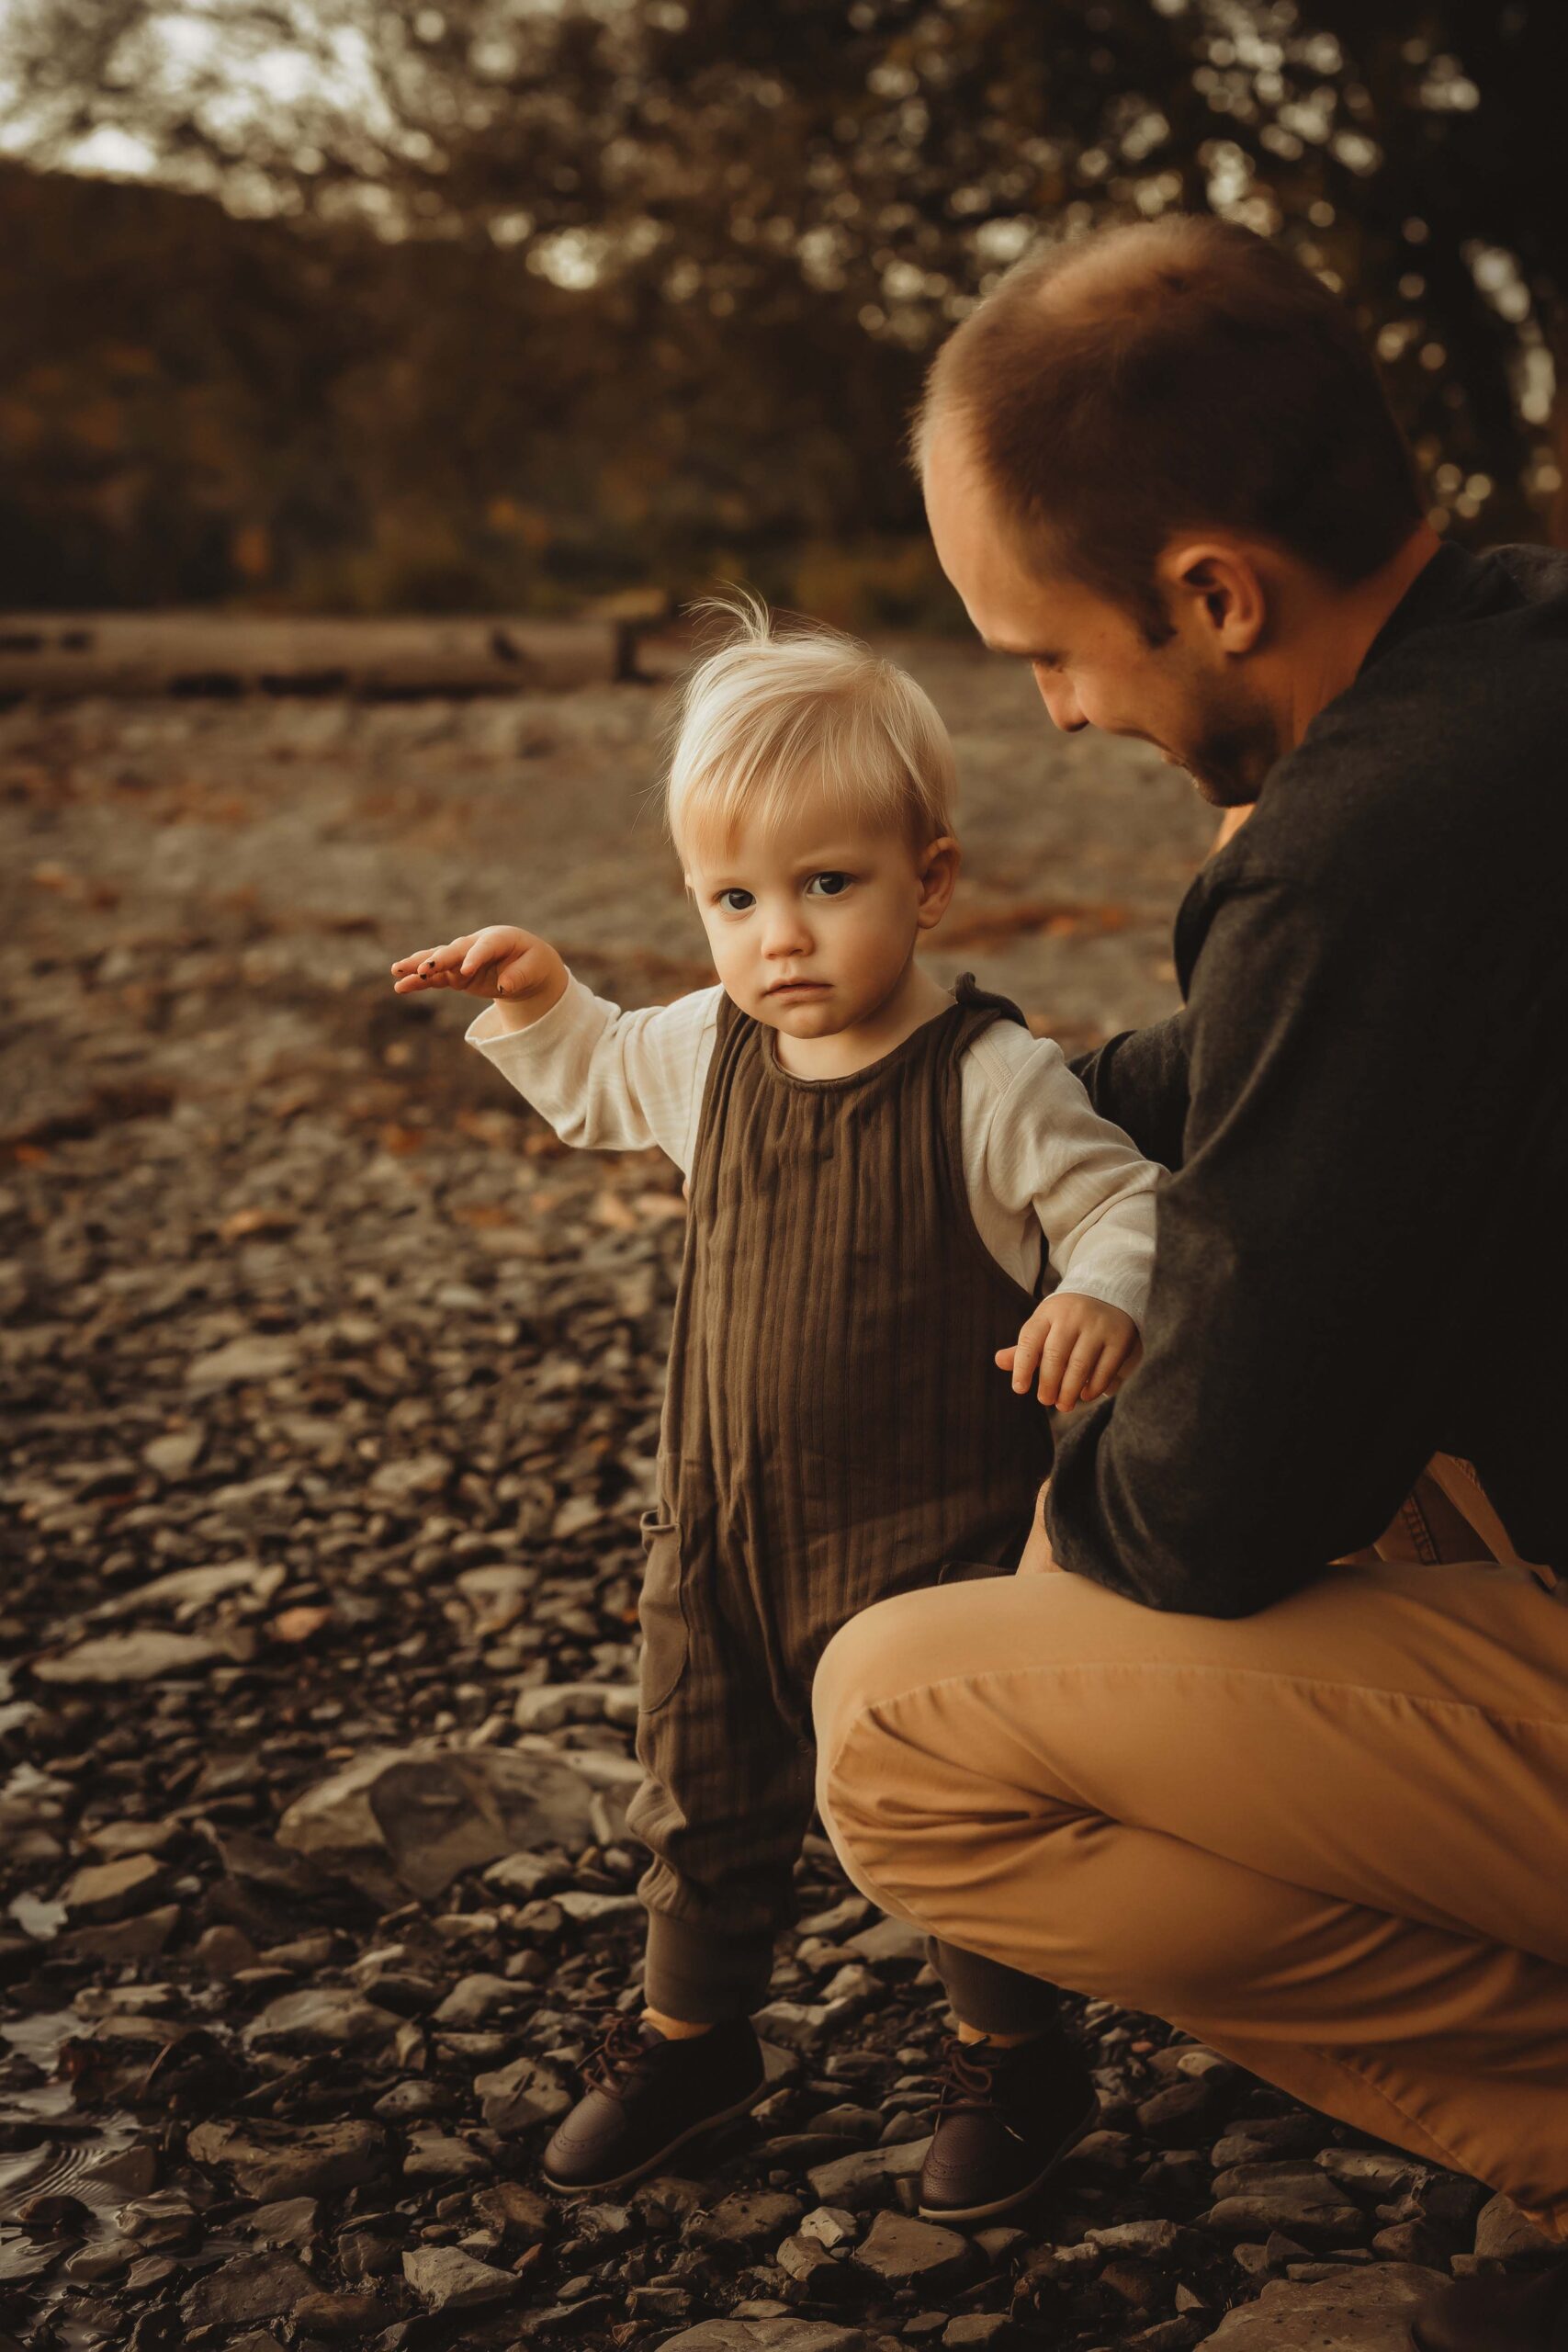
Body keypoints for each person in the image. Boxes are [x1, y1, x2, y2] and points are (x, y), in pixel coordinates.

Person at [810, 215, 1568, 2350]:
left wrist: (1045, 1449)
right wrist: (987, 1092)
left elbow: (1205, 1509)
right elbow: (1286, 1081)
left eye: (1047, 648)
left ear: (1213, 590)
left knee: (900, 1724)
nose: (1052, 708)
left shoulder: (1358, 842)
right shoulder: (1511, 663)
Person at [389, 602, 1165, 2212]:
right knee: (705, 1783)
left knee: (959, 1806)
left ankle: (1017, 2061)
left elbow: (1123, 1203)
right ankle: (696, 2036)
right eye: (734, 900)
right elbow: (603, 1073)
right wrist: (541, 999)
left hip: (935, 1555)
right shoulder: (712, 1048)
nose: (780, 940)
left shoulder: (983, 1080)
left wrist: (1098, 1291)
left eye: (827, 887)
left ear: (929, 880)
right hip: (720, 1534)